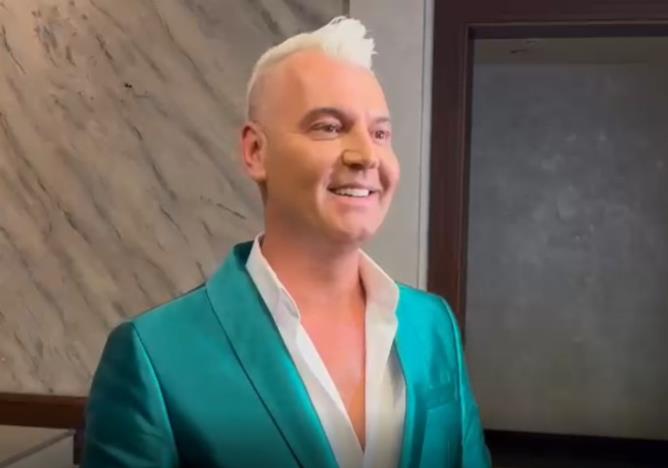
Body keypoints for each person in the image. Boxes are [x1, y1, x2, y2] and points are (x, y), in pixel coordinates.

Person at [82, 16, 491, 468]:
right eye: (329, 127)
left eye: (380, 133)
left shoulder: (433, 324)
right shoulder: (154, 355)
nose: (366, 155)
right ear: (256, 152)